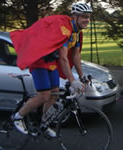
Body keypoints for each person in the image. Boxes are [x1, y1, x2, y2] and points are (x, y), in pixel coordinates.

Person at [10, 2, 92, 138]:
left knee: (54, 95)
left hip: (50, 62)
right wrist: (72, 81)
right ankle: (18, 117)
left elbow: (75, 55)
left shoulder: (76, 33)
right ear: (75, 17)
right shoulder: (65, 29)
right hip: (39, 61)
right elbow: (63, 58)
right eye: (84, 17)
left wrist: (81, 76)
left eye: (88, 17)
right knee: (44, 95)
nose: (87, 20)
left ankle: (42, 122)